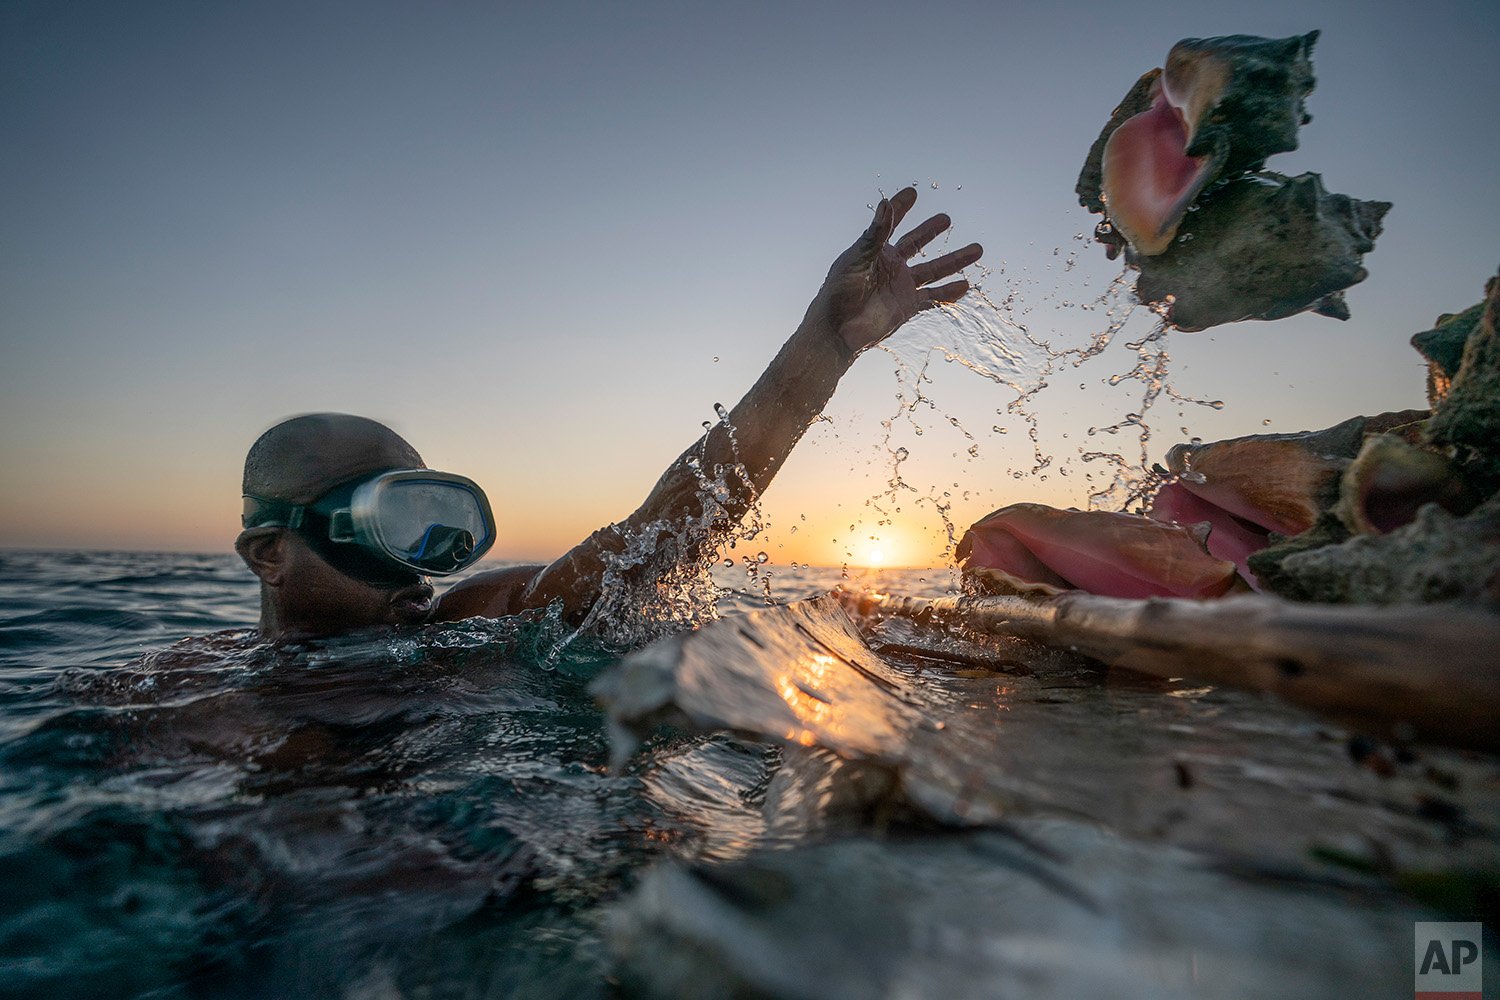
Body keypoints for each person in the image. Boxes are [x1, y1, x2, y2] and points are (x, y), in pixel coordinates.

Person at [236, 188, 982, 640]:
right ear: (270, 554)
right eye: (389, 526)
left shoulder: (467, 626)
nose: (419, 573)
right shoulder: (174, 693)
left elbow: (659, 534)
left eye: (434, 526)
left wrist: (828, 341)